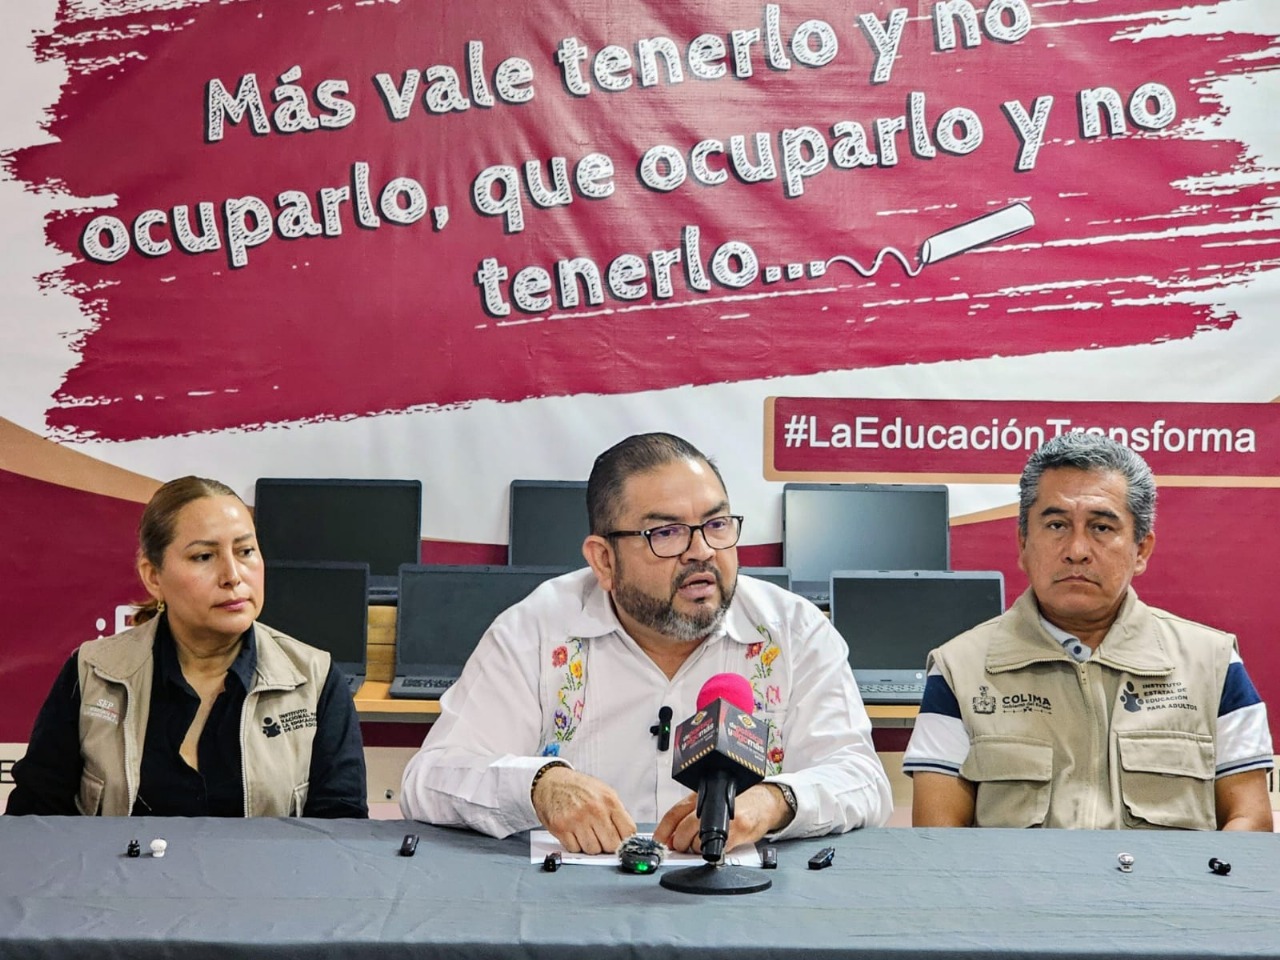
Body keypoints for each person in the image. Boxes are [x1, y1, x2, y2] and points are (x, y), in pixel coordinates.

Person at [400, 432, 891, 852]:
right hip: (573, 907)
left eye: (717, 525)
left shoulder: (794, 632)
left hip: (745, 902)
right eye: (667, 533)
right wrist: (539, 784)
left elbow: (862, 779)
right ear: (604, 560)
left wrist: (772, 801)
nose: (702, 551)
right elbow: (430, 778)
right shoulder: (536, 631)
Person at [904, 432, 1273, 830]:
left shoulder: (1213, 665)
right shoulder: (959, 670)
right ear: (1023, 543)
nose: (1077, 550)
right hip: (1017, 876)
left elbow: (1249, 819)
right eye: (1057, 525)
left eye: (1101, 527)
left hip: (1170, 875)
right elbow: (938, 836)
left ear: (1141, 550)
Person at [7, 476, 368, 818]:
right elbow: (33, 819)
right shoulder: (93, 673)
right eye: (203, 557)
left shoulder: (315, 680)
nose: (233, 576)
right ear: (153, 576)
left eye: (245, 551)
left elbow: (341, 833)